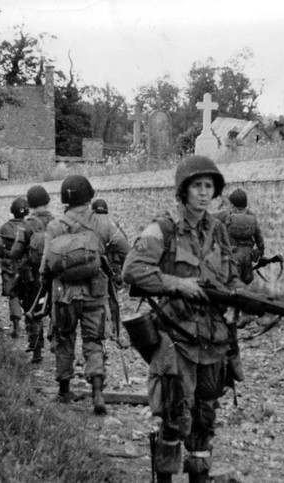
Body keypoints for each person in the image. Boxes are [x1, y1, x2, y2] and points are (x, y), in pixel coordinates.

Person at [122, 155, 245, 483]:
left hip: (213, 340)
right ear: (183, 191)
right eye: (197, 186)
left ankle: (199, 476)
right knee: (176, 416)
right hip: (176, 340)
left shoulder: (218, 230)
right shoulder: (162, 229)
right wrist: (178, 284)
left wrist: (241, 298)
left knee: (205, 417)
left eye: (209, 187)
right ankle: (164, 476)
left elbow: (231, 275)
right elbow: (132, 270)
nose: (204, 193)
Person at [40, 175, 130, 415]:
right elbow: (125, 248)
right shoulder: (103, 223)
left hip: (63, 293)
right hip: (95, 292)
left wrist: (45, 288)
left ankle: (64, 391)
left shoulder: (55, 225)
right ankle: (98, 390)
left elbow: (45, 265)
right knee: (94, 341)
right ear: (89, 195)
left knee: (63, 339)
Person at [10, 185, 54, 363]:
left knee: (32, 308)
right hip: (54, 273)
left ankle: (36, 350)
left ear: (30, 204)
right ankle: (57, 343)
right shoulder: (57, 222)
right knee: (54, 307)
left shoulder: (26, 225)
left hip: (33, 276)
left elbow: (16, 252)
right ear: (47, 201)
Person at [214, 188, 265, 327]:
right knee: (244, 284)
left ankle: (234, 316)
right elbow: (259, 238)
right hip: (247, 257)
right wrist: (260, 253)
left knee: (231, 286)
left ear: (232, 203)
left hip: (233, 257)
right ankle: (244, 315)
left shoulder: (225, 215)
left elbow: (210, 220)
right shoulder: (251, 216)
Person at [0, 197, 29, 338]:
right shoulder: (29, 226)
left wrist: (7, 254)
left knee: (13, 295)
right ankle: (30, 326)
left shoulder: (5, 227)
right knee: (27, 294)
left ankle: (16, 327)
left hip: (10, 267)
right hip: (26, 266)